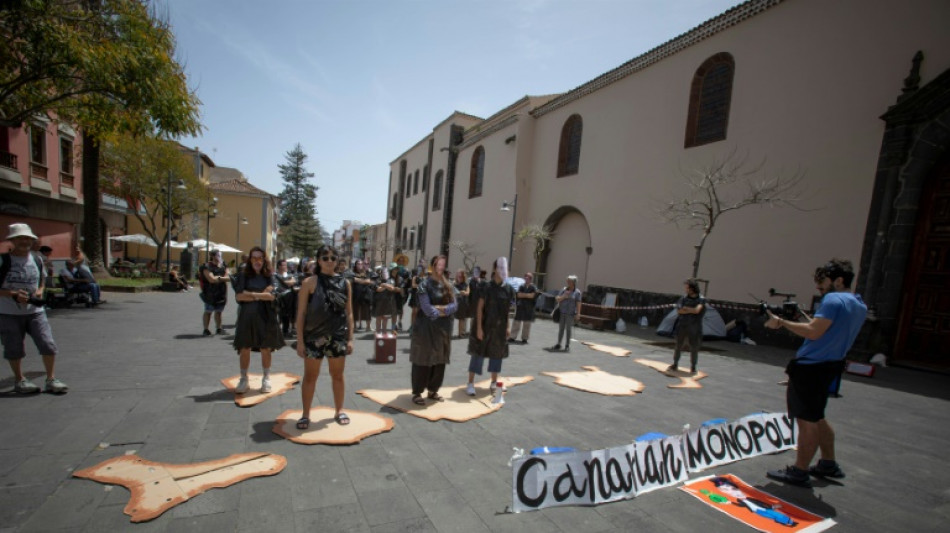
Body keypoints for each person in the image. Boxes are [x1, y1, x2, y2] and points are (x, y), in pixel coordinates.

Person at [765, 259, 867, 488]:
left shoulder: (832, 300)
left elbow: (813, 332)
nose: (820, 289)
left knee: (807, 421)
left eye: (823, 283)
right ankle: (828, 463)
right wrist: (805, 321)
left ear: (838, 280)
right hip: (832, 365)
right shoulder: (858, 304)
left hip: (811, 366)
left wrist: (781, 322)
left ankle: (799, 471)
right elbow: (827, 330)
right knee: (817, 415)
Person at [0, 223, 67, 393]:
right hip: (8, 312)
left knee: (47, 343)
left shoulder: (37, 259)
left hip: (35, 312)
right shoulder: (3, 260)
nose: (25, 241)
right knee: (14, 347)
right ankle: (19, 380)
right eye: (20, 238)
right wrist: (13, 294)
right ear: (12, 240)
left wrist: (39, 292)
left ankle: (51, 379)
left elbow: (41, 281)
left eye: (27, 238)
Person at [296, 245, 354, 428]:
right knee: (310, 376)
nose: (329, 261)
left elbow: (349, 313)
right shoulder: (309, 282)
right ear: (319, 260)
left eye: (333, 258)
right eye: (325, 257)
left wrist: (350, 338)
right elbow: (301, 313)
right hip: (314, 337)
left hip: (337, 336)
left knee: (337, 375)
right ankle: (305, 414)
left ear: (337, 261)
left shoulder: (345, 283)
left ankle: (339, 410)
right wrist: (299, 341)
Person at [232, 246, 285, 394]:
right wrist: (262, 294)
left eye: (260, 258)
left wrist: (251, 294)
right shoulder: (243, 275)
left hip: (266, 316)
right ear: (250, 259)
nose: (257, 261)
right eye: (254, 258)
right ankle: (244, 379)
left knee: (266, 348)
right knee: (244, 347)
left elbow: (272, 296)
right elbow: (239, 296)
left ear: (264, 259)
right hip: (247, 316)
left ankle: (266, 378)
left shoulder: (270, 276)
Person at [409, 255, 457, 405]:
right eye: (437, 264)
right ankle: (417, 392)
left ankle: (433, 390)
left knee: (439, 360)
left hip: (443, 329)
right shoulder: (423, 284)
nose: (440, 267)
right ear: (433, 266)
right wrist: (440, 311)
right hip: (425, 328)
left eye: (442, 264)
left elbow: (454, 305)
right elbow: (426, 308)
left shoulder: (449, 285)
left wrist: (442, 310)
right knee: (422, 360)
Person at [466, 257, 514, 396]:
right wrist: (479, 328)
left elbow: (507, 311)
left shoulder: (508, 289)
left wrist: (508, 326)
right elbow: (479, 308)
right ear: (494, 269)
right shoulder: (485, 286)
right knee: (477, 354)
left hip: (500, 328)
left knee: (497, 355)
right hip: (484, 325)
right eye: (500, 267)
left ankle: (494, 382)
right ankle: (470, 383)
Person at [668, 278, 706, 374]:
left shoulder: (701, 299)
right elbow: (679, 310)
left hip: (695, 326)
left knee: (694, 347)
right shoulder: (684, 298)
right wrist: (690, 310)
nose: (686, 289)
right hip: (682, 325)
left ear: (692, 289)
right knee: (678, 345)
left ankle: (693, 367)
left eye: (687, 288)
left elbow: (697, 310)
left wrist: (687, 309)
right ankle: (675, 364)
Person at [198, 249, 231, 336]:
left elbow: (228, 277)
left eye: (220, 255)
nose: (219, 257)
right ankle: (206, 329)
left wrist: (218, 278)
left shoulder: (223, 265)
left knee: (219, 311)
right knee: (208, 311)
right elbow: (211, 279)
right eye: (217, 255)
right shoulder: (206, 266)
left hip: (221, 292)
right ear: (212, 256)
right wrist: (221, 278)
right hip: (210, 292)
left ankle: (219, 328)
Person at [551, 275, 582, 352]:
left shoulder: (577, 292)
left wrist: (578, 313)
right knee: (561, 329)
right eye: (567, 281)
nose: (568, 282)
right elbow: (557, 299)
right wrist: (564, 296)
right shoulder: (563, 290)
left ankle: (567, 345)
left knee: (568, 329)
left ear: (573, 282)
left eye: (569, 281)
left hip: (570, 314)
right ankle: (558, 343)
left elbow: (578, 303)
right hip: (562, 312)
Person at [509, 272, 538, 344]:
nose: (526, 278)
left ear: (531, 279)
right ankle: (512, 337)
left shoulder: (533, 287)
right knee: (516, 322)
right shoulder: (521, 286)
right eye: (526, 277)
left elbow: (533, 296)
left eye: (528, 277)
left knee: (527, 324)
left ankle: (525, 338)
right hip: (520, 306)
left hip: (529, 307)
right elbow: (519, 295)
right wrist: (528, 295)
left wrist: (524, 295)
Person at [349, 259, 375, 332]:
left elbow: (369, 281)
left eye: (361, 264)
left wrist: (357, 280)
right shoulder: (352, 273)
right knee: (355, 311)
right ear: (355, 265)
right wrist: (363, 281)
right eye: (358, 264)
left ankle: (368, 326)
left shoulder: (366, 272)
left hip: (365, 294)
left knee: (367, 311)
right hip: (355, 294)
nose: (360, 265)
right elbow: (351, 279)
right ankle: (354, 327)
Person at [275, 259, 298, 337]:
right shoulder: (275, 275)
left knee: (287, 314)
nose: (285, 266)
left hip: (288, 298)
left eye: (286, 265)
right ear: (279, 266)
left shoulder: (288, 274)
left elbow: (293, 282)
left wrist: (284, 281)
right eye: (284, 265)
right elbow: (276, 285)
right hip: (278, 298)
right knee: (278, 314)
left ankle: (286, 331)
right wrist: (287, 282)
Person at [453, 269, 471, 338]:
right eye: (458, 276)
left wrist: (464, 292)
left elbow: (468, 292)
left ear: (463, 277)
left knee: (462, 319)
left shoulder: (466, 284)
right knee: (451, 318)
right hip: (455, 303)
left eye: (461, 276)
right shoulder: (454, 283)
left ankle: (460, 334)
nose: (459, 278)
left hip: (463, 303)